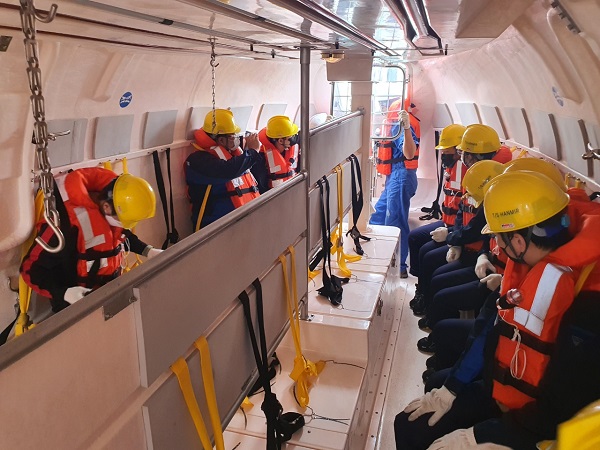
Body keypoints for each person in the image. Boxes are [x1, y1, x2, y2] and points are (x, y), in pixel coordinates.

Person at [394, 171, 600, 449]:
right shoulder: (524, 270)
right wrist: (450, 389)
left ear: (517, 240)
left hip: (542, 425)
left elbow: (567, 404)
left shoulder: (588, 304)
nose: (497, 247)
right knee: (409, 424)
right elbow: (487, 331)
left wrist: (482, 435)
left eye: (500, 238)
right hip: (501, 392)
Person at [20, 168, 160, 313]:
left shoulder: (111, 213)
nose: (124, 225)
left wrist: (148, 251)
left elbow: (121, 236)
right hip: (74, 307)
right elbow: (30, 270)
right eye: (122, 220)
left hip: (109, 297)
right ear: (106, 207)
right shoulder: (64, 224)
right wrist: (64, 293)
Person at [411, 124, 512, 315]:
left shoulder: (491, 179)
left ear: (476, 155)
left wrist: (452, 238)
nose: (461, 156)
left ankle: (434, 314)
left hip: (476, 249)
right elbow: (461, 211)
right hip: (462, 238)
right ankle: (425, 299)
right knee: (421, 246)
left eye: (464, 152)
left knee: (430, 259)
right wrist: (453, 237)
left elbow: (478, 225)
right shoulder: (477, 174)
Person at [407, 124, 466, 300]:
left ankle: (425, 295)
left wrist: (450, 233)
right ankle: (421, 288)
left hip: (455, 229)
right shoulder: (451, 169)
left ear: (458, 150)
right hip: (447, 223)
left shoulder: (468, 173)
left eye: (447, 151)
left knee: (427, 253)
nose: (443, 155)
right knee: (414, 237)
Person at [185, 109, 261, 230]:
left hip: (239, 223)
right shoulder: (197, 161)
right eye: (232, 136)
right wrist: (252, 153)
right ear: (221, 140)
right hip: (214, 227)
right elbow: (226, 171)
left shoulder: (233, 156)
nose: (236, 139)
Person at [370, 101, 420, 278]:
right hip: (395, 177)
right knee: (376, 216)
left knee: (396, 222)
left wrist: (405, 127)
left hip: (402, 176)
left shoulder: (399, 124)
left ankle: (399, 265)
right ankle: (376, 257)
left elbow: (409, 153)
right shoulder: (394, 123)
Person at [252, 115, 300, 194]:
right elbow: (261, 185)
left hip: (294, 192)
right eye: (291, 137)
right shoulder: (261, 157)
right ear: (281, 141)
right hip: (275, 197)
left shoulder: (294, 150)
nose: (294, 139)